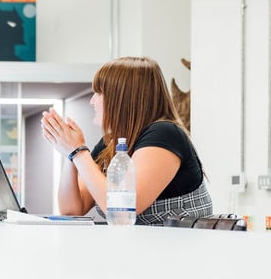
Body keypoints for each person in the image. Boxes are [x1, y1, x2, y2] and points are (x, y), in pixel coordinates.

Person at [40, 56, 212, 225]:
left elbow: (121, 210)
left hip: (177, 250)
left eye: (99, 93)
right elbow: (72, 210)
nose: (92, 101)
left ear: (122, 98)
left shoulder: (164, 133)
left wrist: (78, 152)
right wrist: (69, 154)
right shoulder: (109, 143)